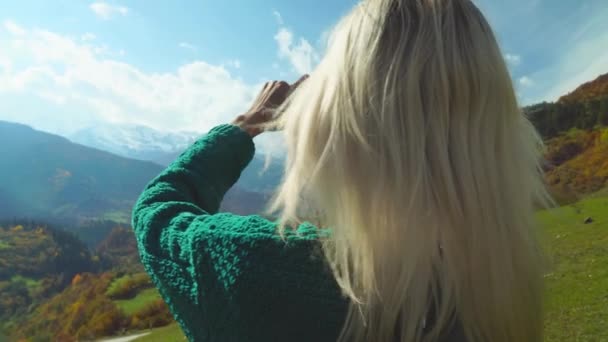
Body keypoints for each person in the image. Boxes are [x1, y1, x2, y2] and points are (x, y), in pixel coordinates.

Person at [131, 0, 553, 341]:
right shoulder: (498, 285)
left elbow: (155, 212)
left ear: (347, 122)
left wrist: (242, 128)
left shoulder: (266, 271)